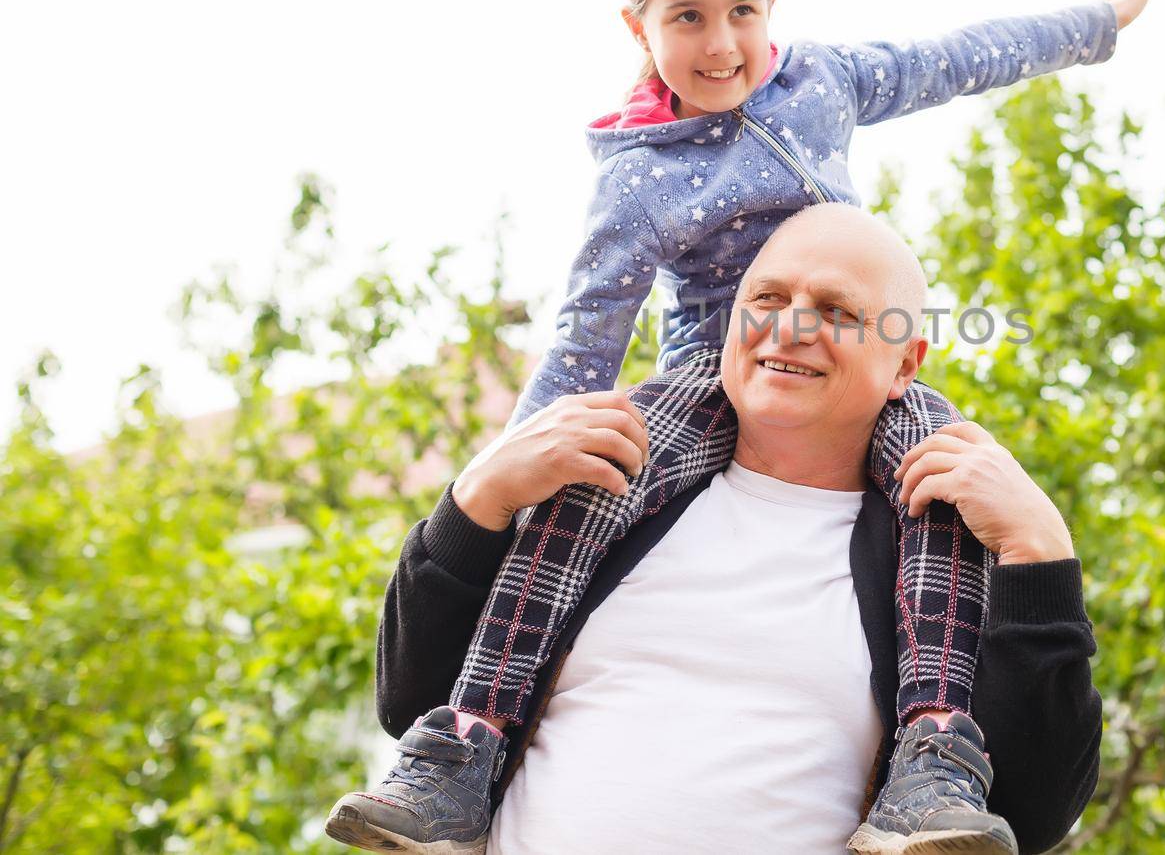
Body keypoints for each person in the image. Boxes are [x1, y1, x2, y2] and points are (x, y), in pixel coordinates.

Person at [328, 0, 1154, 852]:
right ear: (637, 26)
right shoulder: (639, 175)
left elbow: (954, 61)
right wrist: (500, 476)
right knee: (587, 484)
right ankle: (459, 748)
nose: (720, 44)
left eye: (742, 12)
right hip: (694, 382)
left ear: (772, 3)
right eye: (687, 17)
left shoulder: (823, 84)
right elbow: (588, 336)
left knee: (939, 495)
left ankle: (934, 760)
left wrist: (1094, 24)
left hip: (880, 425)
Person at [331, 205, 1102, 854]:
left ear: (905, 363)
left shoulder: (939, 546)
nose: (788, 327)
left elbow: (1032, 813)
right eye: (765, 299)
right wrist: (479, 494)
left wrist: (1041, 555)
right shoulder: (603, 489)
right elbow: (412, 698)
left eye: (835, 311)